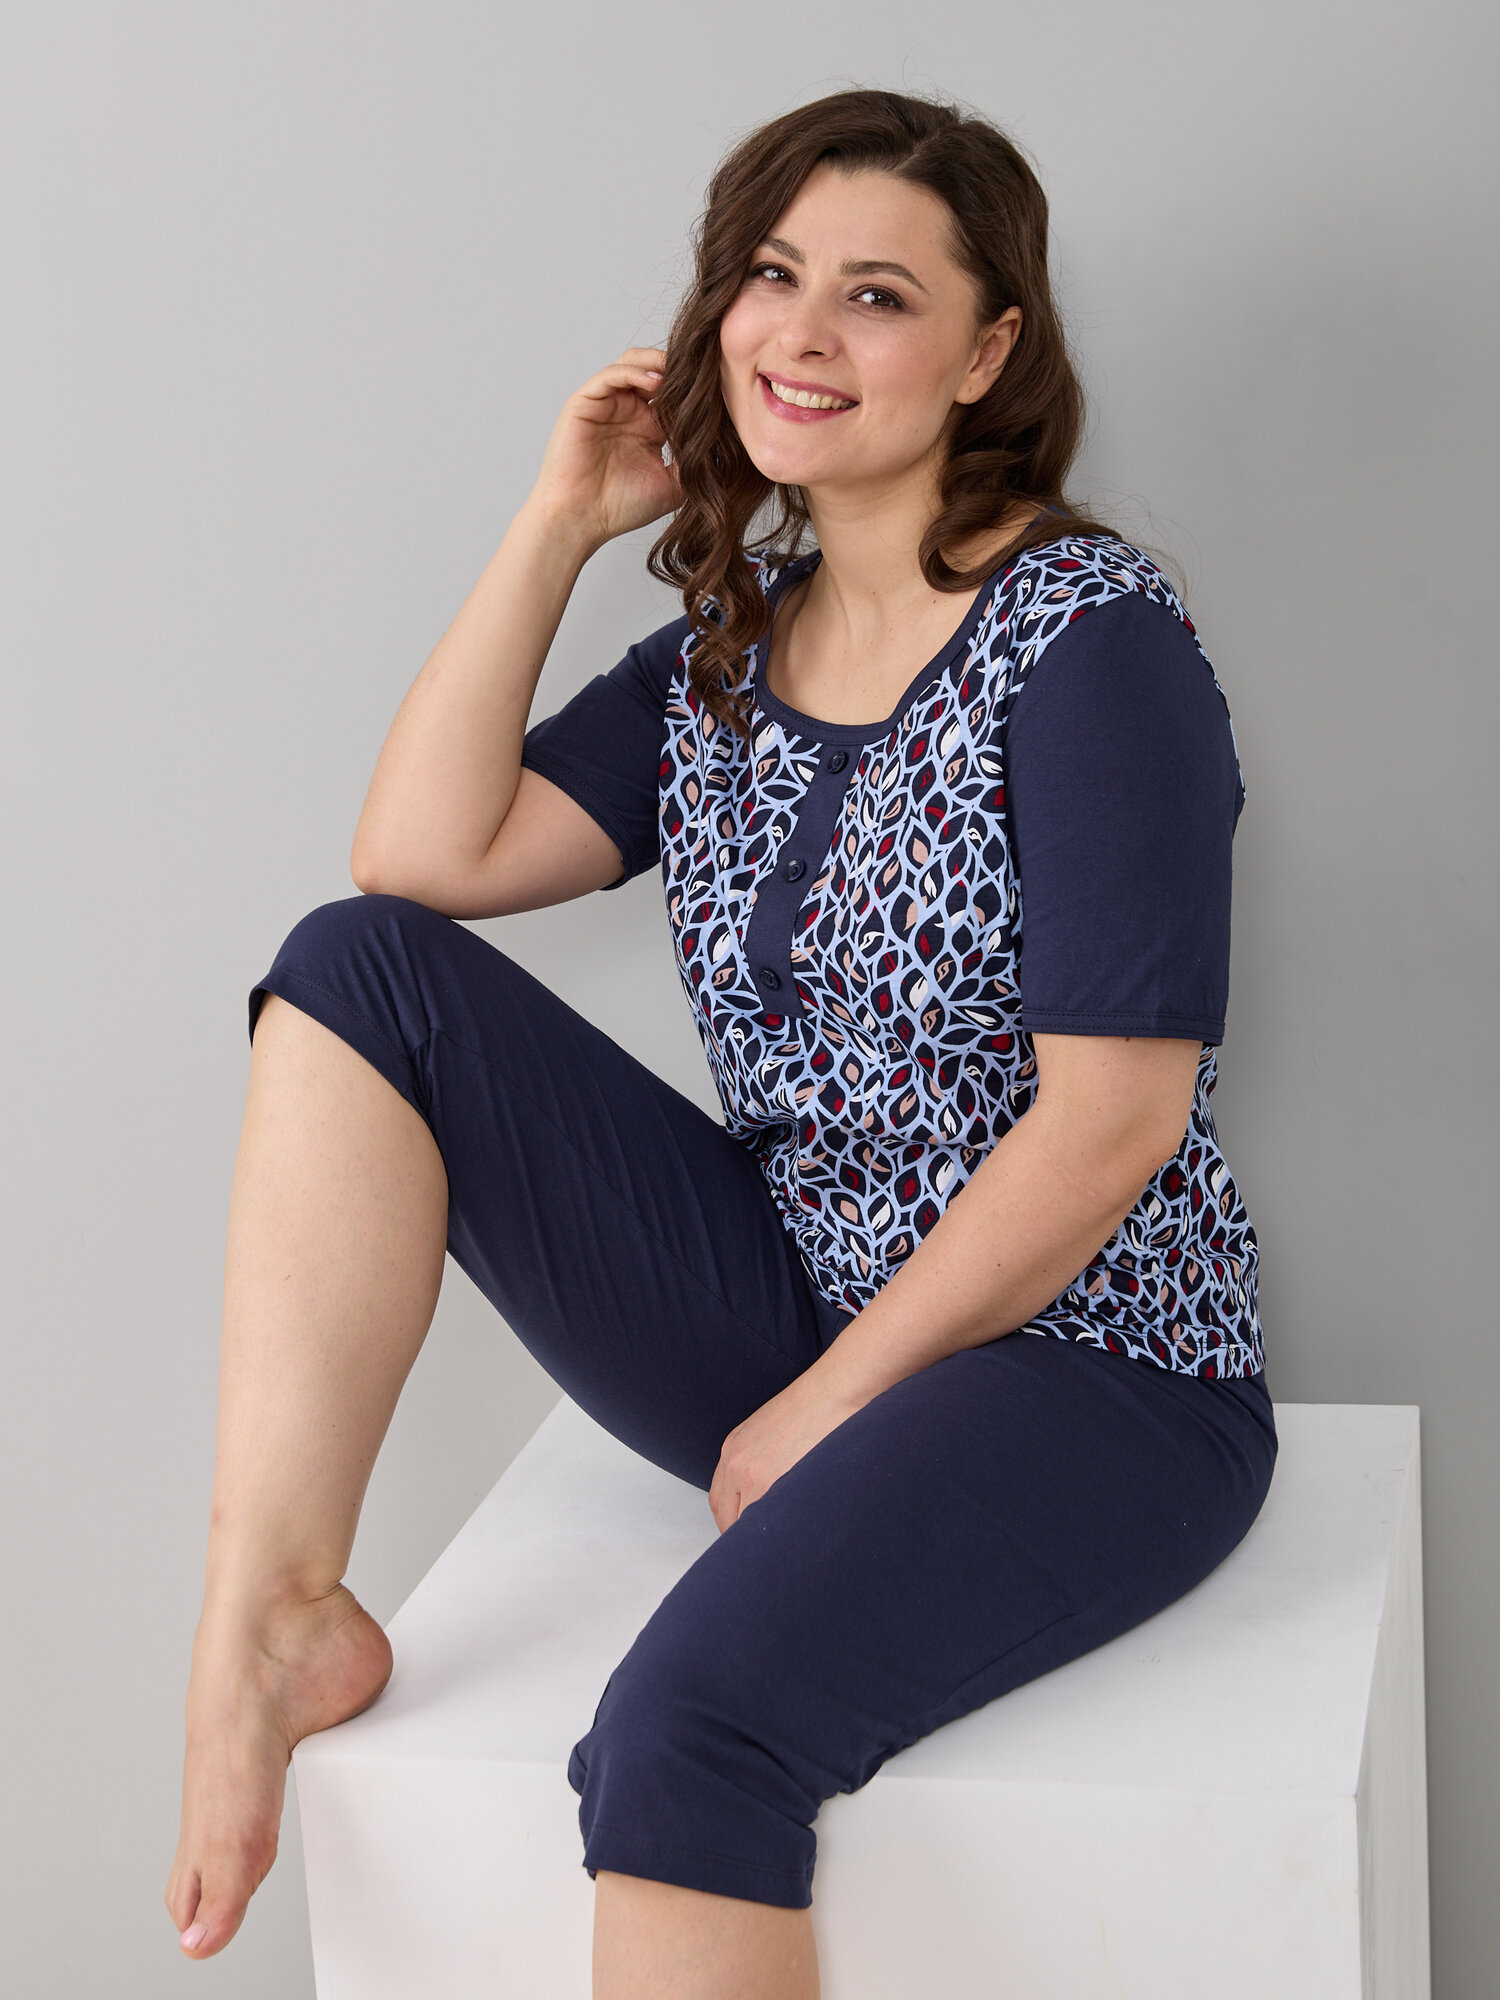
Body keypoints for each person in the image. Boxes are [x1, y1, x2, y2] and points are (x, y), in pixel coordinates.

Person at [166, 87, 1277, 2000]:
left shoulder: (1092, 638)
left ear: (989, 353)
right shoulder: (726, 649)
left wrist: (834, 1408)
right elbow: (422, 857)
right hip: (793, 1300)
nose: (803, 333)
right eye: (772, 276)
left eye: (877, 296)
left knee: (685, 1737)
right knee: (356, 971)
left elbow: (1114, 1124)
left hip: (1088, 1363)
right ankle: (272, 1618)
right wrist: (558, 525)